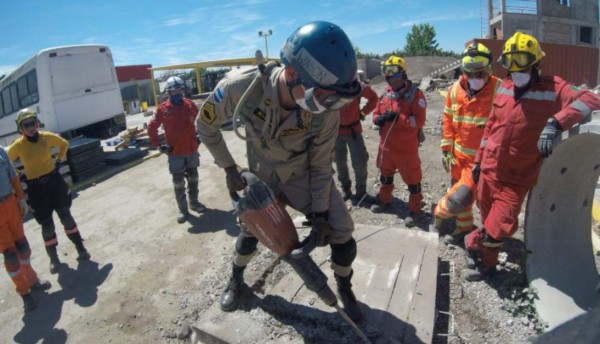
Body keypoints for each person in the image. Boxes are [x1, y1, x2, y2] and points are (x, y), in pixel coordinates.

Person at [196, 21, 364, 323]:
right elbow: (204, 125)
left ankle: (345, 288)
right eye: (323, 96)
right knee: (249, 231)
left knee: (343, 233)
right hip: (262, 178)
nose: (328, 106)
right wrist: (229, 168)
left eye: (335, 99)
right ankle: (237, 278)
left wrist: (321, 215)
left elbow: (321, 165)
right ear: (291, 74)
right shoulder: (239, 88)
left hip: (303, 176)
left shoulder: (324, 110)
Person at [464, 32, 600, 281]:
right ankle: (488, 263)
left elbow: (591, 99)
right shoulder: (504, 88)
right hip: (489, 170)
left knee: (499, 227)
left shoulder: (555, 88)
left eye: (521, 64)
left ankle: (472, 243)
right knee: (486, 218)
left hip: (517, 178)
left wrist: (556, 123)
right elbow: (489, 129)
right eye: (510, 64)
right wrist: (477, 161)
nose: (515, 71)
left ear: (536, 63)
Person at [432, 43, 502, 245]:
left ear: (488, 68)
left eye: (479, 73)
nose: (475, 78)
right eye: (470, 73)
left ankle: (438, 212)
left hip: (480, 161)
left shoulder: (499, 88)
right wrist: (446, 149)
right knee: (460, 196)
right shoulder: (455, 90)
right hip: (457, 157)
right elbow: (448, 120)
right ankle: (463, 227)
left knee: (460, 198)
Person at [7, 109, 90, 275]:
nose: (31, 127)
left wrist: (58, 161)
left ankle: (81, 249)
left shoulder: (46, 137)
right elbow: (6, 162)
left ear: (37, 123)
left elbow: (64, 144)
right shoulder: (18, 146)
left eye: (33, 123)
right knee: (47, 225)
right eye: (26, 124)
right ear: (20, 128)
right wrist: (18, 175)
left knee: (65, 215)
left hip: (54, 183)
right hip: (36, 189)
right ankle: (54, 259)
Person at [370, 55, 426, 228]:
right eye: (388, 73)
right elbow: (375, 114)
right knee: (385, 175)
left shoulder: (415, 95)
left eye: (394, 74)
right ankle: (385, 200)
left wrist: (399, 118)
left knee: (412, 179)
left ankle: (414, 209)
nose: (391, 78)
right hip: (386, 146)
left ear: (403, 74)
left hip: (406, 148)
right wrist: (377, 119)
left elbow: (419, 121)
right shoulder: (386, 95)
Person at [147, 76, 206, 224]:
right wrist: (157, 145)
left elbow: (200, 121)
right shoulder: (162, 110)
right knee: (178, 183)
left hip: (192, 150)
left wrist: (200, 136)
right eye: (174, 91)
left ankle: (194, 202)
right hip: (175, 154)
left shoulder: (190, 105)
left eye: (180, 90)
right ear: (168, 92)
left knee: (193, 179)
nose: (177, 94)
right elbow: (151, 127)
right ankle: (183, 209)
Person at [1, 145, 52, 311]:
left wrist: (21, 199)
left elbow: (13, 177)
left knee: (23, 246)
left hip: (10, 203)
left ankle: (32, 280)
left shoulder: (0, 150)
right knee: (10, 255)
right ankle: (24, 293)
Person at [335, 76, 378, 205]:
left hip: (353, 130)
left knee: (360, 162)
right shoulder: (329, 85)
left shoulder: (356, 85)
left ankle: (361, 192)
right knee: (339, 162)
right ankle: (345, 189)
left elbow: (374, 98)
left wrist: (363, 113)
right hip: (335, 131)